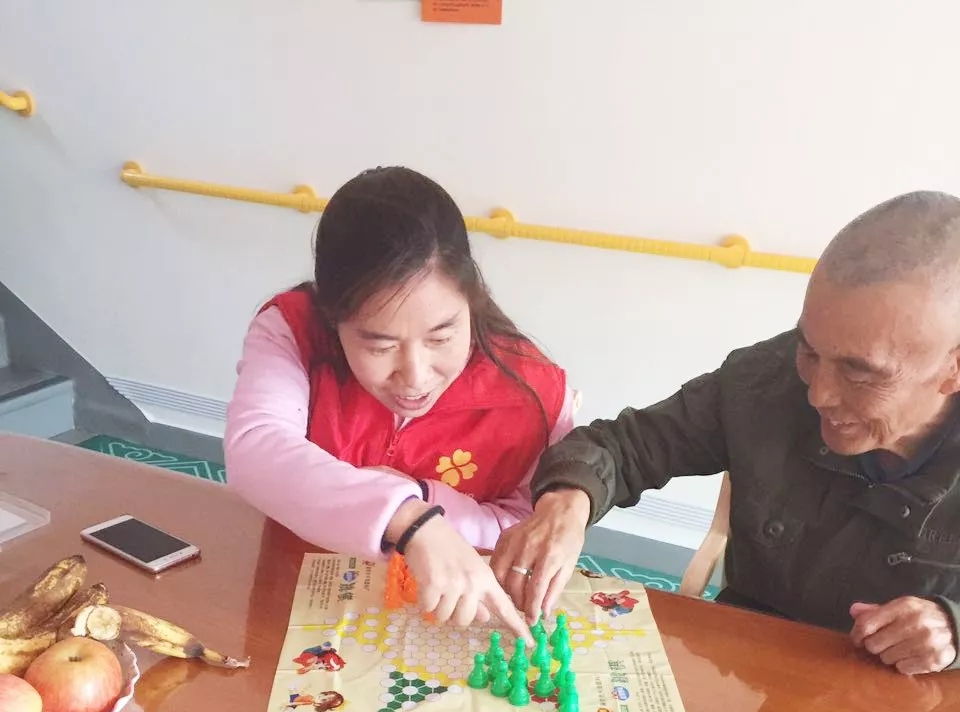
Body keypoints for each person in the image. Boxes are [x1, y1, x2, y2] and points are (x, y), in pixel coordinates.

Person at [492, 191, 960, 675]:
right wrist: (567, 503)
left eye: (859, 373)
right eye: (809, 351)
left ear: (953, 368)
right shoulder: (764, 383)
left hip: (903, 695)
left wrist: (952, 628)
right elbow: (624, 446)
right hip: (752, 664)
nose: (819, 393)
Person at [226, 165, 575, 636]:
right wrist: (406, 518)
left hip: (444, 622)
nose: (415, 376)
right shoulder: (292, 331)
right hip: (301, 601)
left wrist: (428, 503)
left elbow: (525, 530)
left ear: (471, 301)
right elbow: (255, 449)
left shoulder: (534, 393)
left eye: (441, 337)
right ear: (332, 319)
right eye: (380, 346)